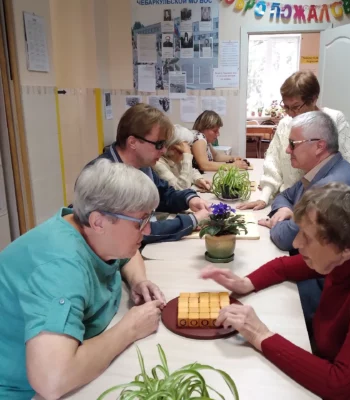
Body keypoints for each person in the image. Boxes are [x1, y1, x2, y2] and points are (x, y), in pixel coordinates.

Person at [201, 182, 350, 400]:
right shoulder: (341, 258)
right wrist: (246, 282)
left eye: (306, 236)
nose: (296, 242)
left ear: (346, 247)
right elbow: (283, 267)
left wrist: (261, 335)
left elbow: (342, 386)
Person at [0, 160, 166, 399]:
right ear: (99, 221)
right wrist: (131, 328)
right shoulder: (60, 266)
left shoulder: (89, 230)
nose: (148, 230)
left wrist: (139, 281)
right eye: (141, 221)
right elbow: (52, 380)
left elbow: (129, 252)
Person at [238, 71, 350, 211]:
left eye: (295, 107)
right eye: (286, 107)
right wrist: (264, 197)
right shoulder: (285, 124)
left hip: (324, 209)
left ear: (313, 100)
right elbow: (273, 163)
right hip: (289, 203)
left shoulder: (334, 120)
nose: (290, 113)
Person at [86, 103, 210, 245]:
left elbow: (164, 195)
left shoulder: (143, 164)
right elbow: (139, 230)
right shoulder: (102, 176)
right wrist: (192, 220)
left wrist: (189, 199)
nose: (164, 151)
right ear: (133, 142)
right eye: (159, 144)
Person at [262, 111, 350, 252]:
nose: (287, 150)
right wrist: (285, 209)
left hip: (334, 272)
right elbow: (285, 196)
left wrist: (275, 222)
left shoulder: (329, 187)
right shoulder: (322, 170)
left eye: (292, 144)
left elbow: (286, 238)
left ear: (319, 146)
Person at [154, 124, 212, 191]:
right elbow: (181, 189)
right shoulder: (158, 164)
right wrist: (187, 155)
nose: (188, 148)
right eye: (186, 146)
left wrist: (199, 179)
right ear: (174, 147)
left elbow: (192, 171)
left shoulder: (176, 159)